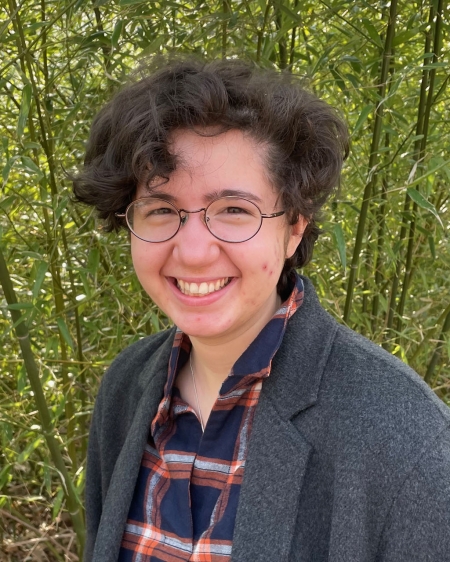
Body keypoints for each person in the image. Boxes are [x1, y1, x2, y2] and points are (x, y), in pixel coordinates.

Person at [73, 58, 450, 562]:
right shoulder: (126, 388)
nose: (193, 251)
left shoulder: (403, 434)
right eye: (161, 209)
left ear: (294, 225)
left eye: (233, 210)